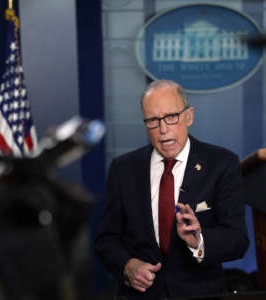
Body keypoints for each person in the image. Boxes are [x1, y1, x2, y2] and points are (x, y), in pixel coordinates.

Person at [95, 80, 249, 299]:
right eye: (153, 121)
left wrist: (199, 242)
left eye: (171, 117)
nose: (163, 129)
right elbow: (106, 240)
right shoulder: (123, 169)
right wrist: (127, 265)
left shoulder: (221, 164)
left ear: (189, 116)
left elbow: (237, 240)